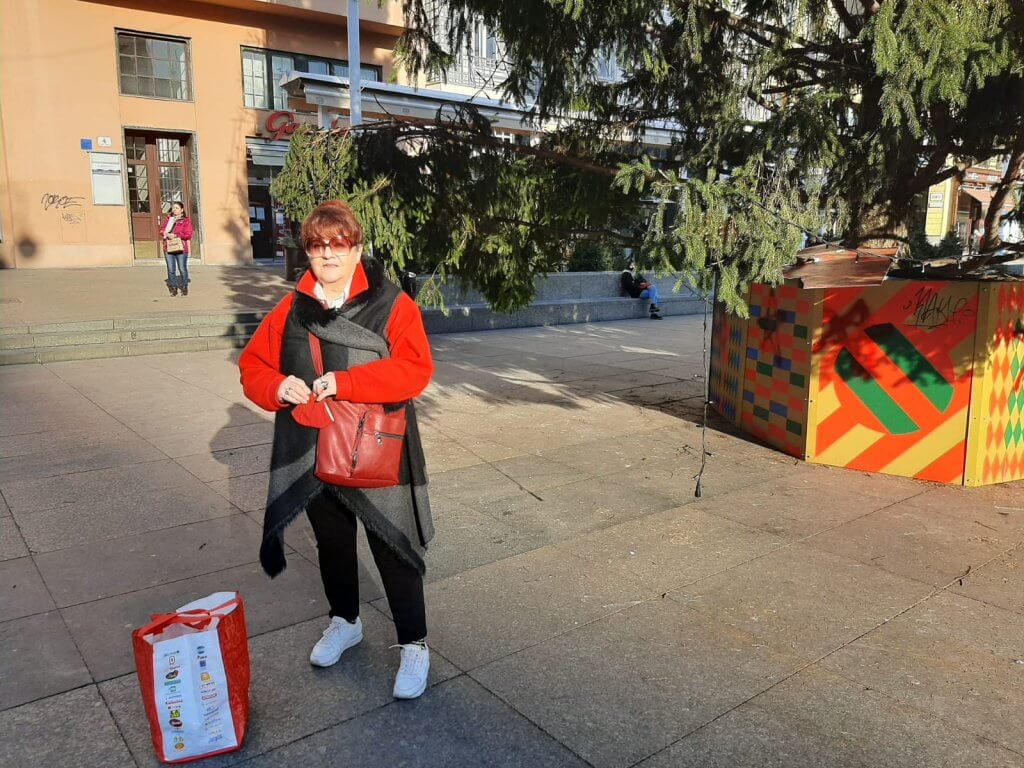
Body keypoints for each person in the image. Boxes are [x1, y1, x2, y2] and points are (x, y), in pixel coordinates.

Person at [239, 200, 435, 700]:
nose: (328, 254)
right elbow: (253, 366)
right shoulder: (291, 308)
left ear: (357, 247)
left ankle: (414, 644)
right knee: (332, 542)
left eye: (338, 244)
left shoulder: (392, 304)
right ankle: (345, 621)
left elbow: (415, 370)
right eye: (317, 245)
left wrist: (346, 382)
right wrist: (278, 386)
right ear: (306, 251)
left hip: (376, 446)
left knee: (392, 543)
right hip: (314, 445)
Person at [161, 201, 194, 296]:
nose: (174, 210)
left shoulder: (186, 221)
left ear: (182, 210)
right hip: (168, 246)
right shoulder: (169, 219)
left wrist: (176, 235)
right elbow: (161, 229)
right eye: (173, 208)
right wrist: (165, 233)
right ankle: (173, 287)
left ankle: (184, 286)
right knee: (171, 269)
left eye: (177, 208)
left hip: (181, 248)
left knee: (182, 268)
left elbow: (188, 234)